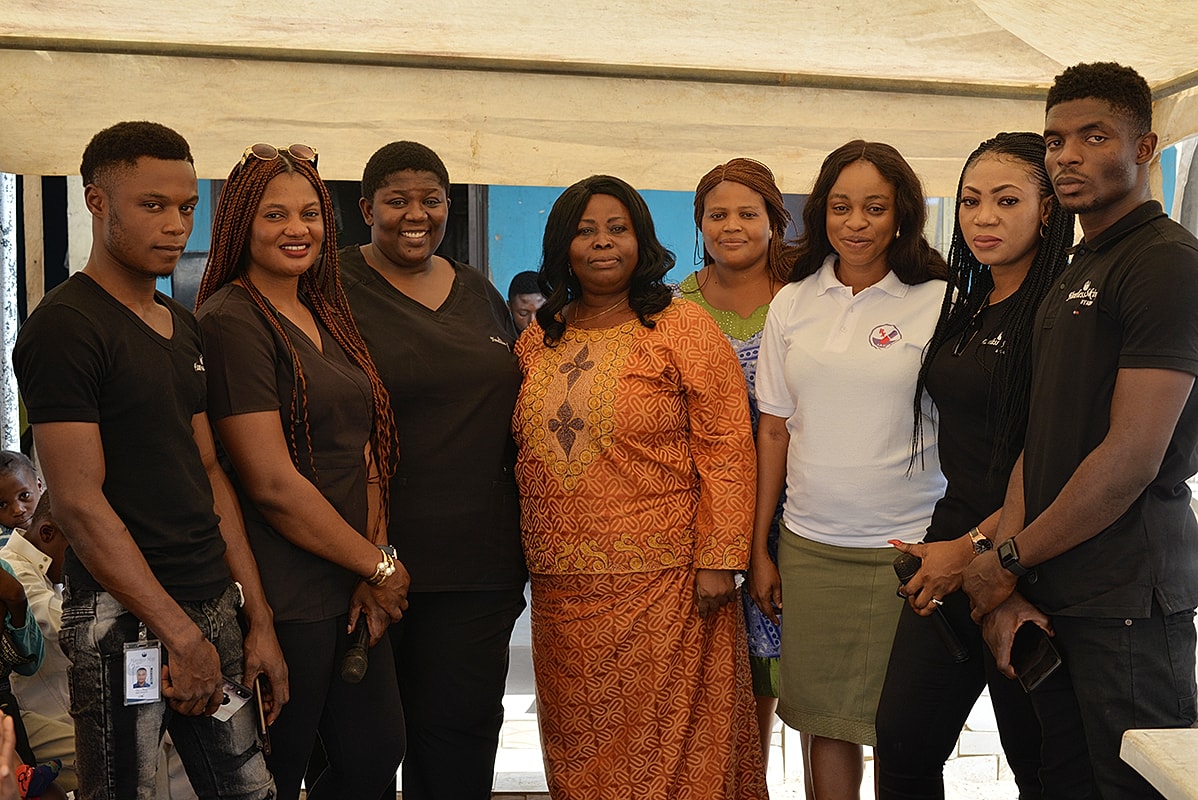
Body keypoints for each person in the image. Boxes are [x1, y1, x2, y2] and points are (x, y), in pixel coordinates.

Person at [12, 121, 284, 799]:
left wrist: (257, 618)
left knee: (251, 791)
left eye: (187, 207)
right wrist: (176, 633)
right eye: (152, 205)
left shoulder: (180, 322)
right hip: (122, 623)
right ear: (96, 202)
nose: (175, 225)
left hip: (208, 602)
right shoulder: (66, 326)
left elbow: (209, 471)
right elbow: (77, 500)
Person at [962, 62, 1198, 798]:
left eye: (1094, 137)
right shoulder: (1075, 266)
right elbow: (1044, 435)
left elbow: (1130, 458)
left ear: (1147, 147)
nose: (1067, 155)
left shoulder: (1166, 264)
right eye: (1056, 139)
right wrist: (1010, 572)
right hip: (1052, 592)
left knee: (1138, 789)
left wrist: (1006, 557)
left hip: (1127, 599)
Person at [514, 174, 767, 798]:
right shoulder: (537, 339)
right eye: (585, 231)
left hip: (669, 585)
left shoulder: (683, 329)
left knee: (673, 757)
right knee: (582, 754)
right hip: (561, 594)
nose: (603, 244)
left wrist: (719, 560)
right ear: (561, 246)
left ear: (642, 240)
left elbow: (729, 446)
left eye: (618, 229)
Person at [194, 142, 407, 800]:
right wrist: (378, 568)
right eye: (274, 215)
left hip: (351, 583)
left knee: (375, 757)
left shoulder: (326, 312)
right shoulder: (230, 321)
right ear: (239, 225)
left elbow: (365, 449)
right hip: (287, 595)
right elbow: (271, 485)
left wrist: (371, 564)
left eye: (310, 214)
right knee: (278, 774)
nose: (297, 230)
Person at [874, 132, 1075, 798]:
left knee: (1039, 768)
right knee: (901, 746)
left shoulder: (1061, 311)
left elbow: (1055, 460)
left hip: (1029, 560)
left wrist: (980, 549)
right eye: (969, 201)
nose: (982, 218)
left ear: (1048, 210)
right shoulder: (965, 306)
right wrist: (953, 549)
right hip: (950, 554)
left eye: (1006, 200)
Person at [750, 141, 948, 799]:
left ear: (901, 216)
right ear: (821, 214)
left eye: (874, 207)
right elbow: (774, 429)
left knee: (903, 729)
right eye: (841, 207)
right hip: (812, 548)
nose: (855, 222)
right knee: (822, 723)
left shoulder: (939, 302)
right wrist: (761, 550)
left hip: (909, 553)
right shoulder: (793, 304)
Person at [338, 141, 527, 800]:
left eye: (430, 199)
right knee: (360, 750)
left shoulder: (477, 290)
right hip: (362, 563)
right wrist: (367, 557)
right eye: (396, 200)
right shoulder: (331, 288)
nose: (414, 215)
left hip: (479, 567)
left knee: (459, 744)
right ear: (366, 208)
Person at [679, 157, 798, 766]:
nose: (732, 226)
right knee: (724, 672)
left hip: (798, 508)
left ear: (774, 222)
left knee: (801, 683)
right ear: (699, 224)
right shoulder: (674, 307)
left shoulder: (807, 298)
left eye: (748, 214)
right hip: (705, 511)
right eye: (716, 214)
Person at [0, 491, 76, 794]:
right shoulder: (11, 564)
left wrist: (16, 604)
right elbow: (58, 622)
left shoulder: (8, 574)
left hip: (12, 709)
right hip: (24, 714)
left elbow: (25, 660)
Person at [0, 453, 43, 546]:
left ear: (39, 486)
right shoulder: (5, 546)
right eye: (2, 505)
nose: (18, 510)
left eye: (24, 495)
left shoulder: (60, 518)